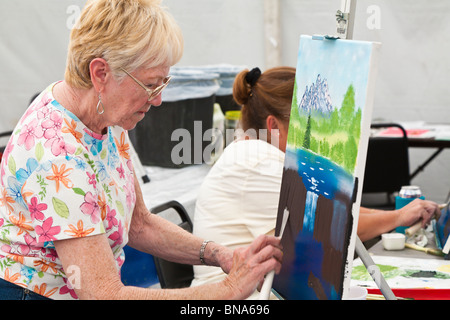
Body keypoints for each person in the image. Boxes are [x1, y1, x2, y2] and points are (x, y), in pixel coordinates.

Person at [0, 0, 282, 300]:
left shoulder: (104, 113)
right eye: (150, 84)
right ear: (100, 73)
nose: (158, 100)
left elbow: (140, 224)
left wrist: (219, 255)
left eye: (163, 83)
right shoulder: (56, 153)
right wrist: (227, 290)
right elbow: (104, 295)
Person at [191, 66, 440, 292]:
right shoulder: (259, 161)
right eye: (308, 125)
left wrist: (400, 214)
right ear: (273, 125)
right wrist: (396, 217)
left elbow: (335, 208)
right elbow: (330, 225)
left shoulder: (256, 153)